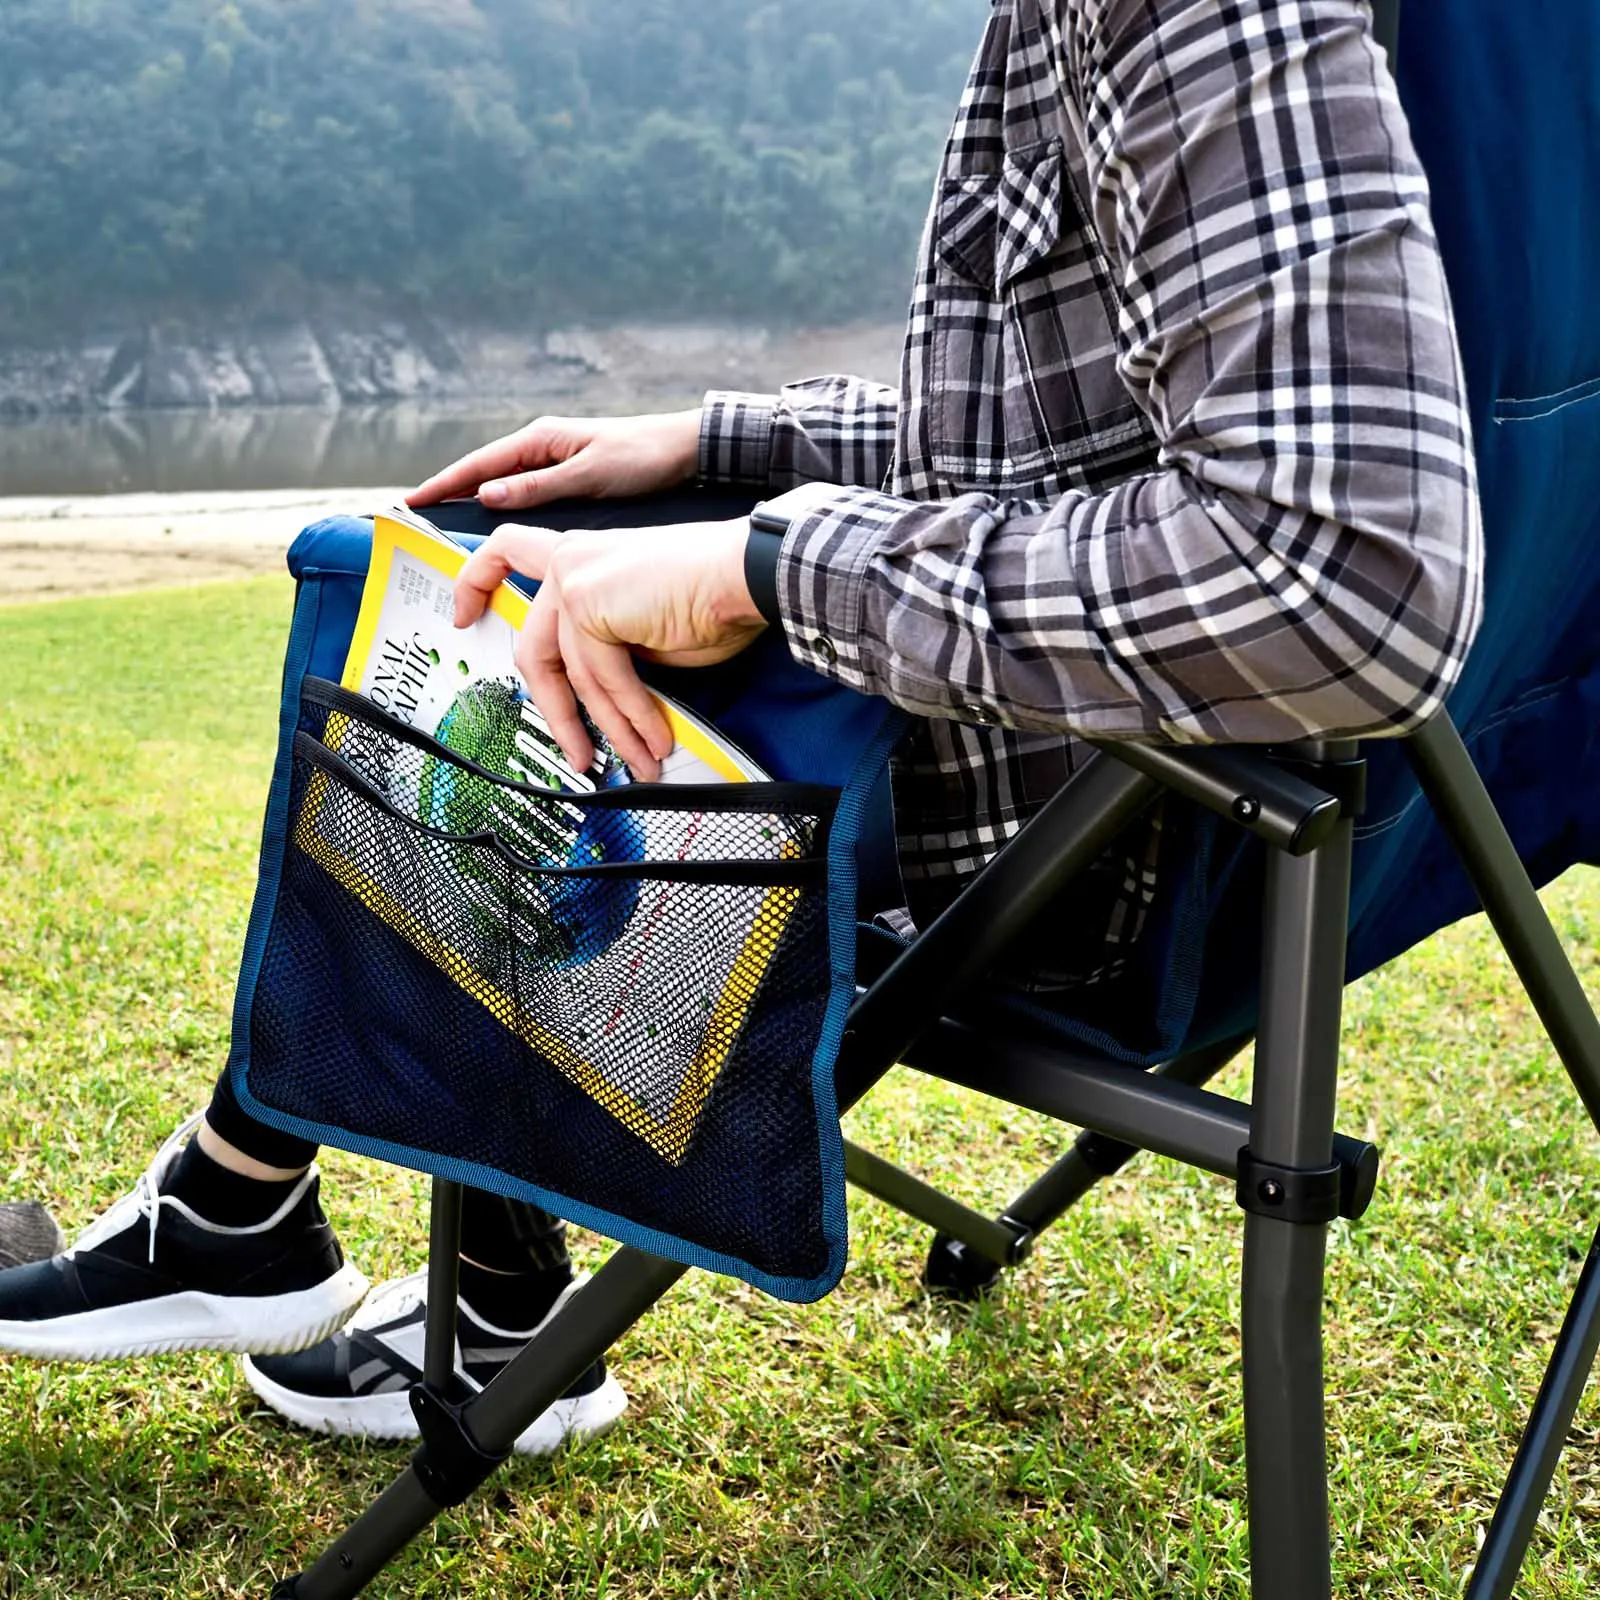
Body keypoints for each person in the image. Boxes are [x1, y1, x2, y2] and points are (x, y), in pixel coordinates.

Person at [0, 0, 1480, 1455]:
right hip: (1360, 818)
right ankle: (436, 1273)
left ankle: (242, 1205)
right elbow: (1067, 425)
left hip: (1109, 845)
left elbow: (1341, 571)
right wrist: (715, 447)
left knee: (477, 633)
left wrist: (760, 567)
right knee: (524, 541)